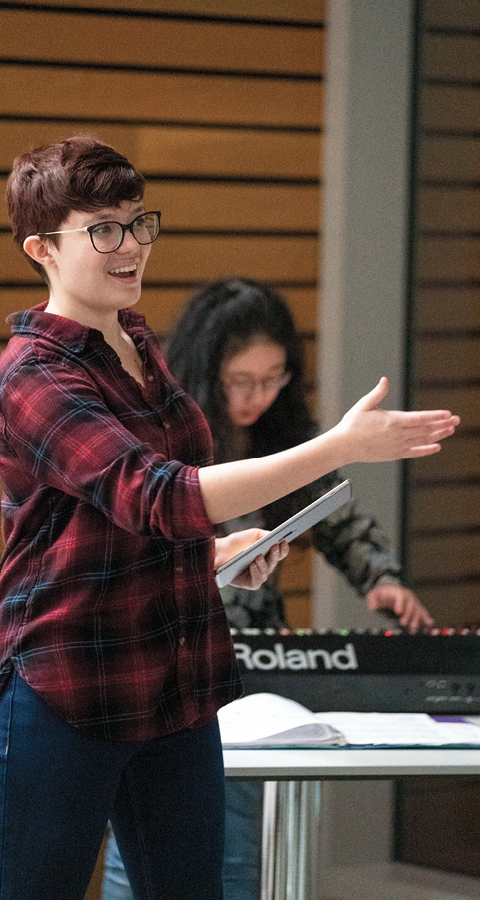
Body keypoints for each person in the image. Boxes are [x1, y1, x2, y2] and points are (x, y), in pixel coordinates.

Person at [0, 134, 458, 900]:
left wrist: (217, 550)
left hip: (175, 681)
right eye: (103, 229)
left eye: (138, 222)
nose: (130, 245)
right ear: (41, 248)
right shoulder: (31, 376)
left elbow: (134, 528)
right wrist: (340, 446)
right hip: (63, 687)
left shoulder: (136, 341)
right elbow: (157, 494)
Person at [101, 278, 437, 900]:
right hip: (165, 666)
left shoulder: (281, 433)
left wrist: (381, 579)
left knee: (238, 854)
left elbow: (337, 517)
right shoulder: (164, 431)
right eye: (241, 381)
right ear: (207, 370)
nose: (258, 396)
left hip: (253, 672)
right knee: (147, 850)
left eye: (274, 377)